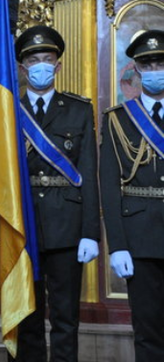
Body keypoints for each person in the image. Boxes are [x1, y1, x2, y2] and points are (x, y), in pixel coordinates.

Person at [11, 26, 100, 362]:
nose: (41, 66)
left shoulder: (78, 110)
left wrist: (90, 232)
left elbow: (88, 173)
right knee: (26, 316)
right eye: (33, 60)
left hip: (67, 224)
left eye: (47, 59)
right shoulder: (7, 112)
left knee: (65, 318)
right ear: (22, 68)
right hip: (22, 225)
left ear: (59, 66)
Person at [100, 29, 164, 361]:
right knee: (148, 329)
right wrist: (118, 245)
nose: (155, 69)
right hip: (139, 239)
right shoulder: (118, 120)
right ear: (136, 70)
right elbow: (109, 187)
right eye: (148, 64)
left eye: (160, 62)